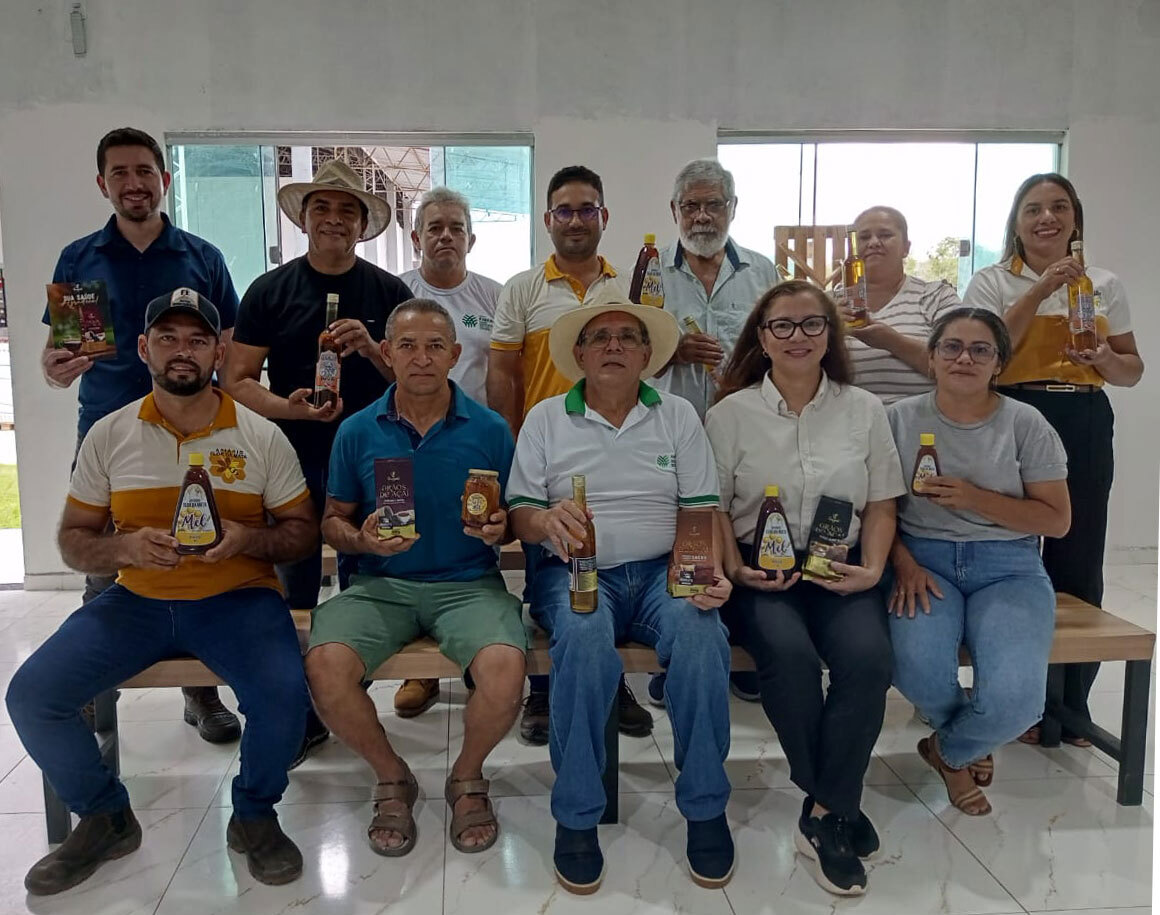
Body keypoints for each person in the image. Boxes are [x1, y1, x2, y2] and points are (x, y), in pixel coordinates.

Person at [8, 289, 317, 894]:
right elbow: (73, 541)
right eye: (169, 339)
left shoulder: (258, 435)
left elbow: (301, 534)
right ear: (144, 348)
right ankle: (105, 815)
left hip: (238, 599)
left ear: (219, 351)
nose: (183, 352)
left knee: (284, 696)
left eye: (198, 340)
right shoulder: (109, 433)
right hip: (137, 600)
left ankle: (253, 814)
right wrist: (123, 549)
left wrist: (246, 540)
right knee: (33, 694)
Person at [507, 300, 734, 893]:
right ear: (579, 355)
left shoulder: (679, 415)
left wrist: (704, 574)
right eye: (599, 337)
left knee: (703, 635)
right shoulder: (546, 418)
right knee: (581, 640)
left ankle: (706, 806)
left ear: (647, 355)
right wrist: (545, 521)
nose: (613, 345)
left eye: (627, 337)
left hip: (665, 571)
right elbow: (521, 512)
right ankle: (577, 816)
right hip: (575, 571)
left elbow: (701, 507)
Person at [304, 298, 527, 858]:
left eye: (434, 346)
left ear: (454, 354)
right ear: (386, 353)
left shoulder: (492, 429)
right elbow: (332, 522)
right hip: (380, 585)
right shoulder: (356, 431)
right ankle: (391, 775)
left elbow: (516, 518)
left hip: (468, 583)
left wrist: (501, 528)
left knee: (505, 668)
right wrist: (360, 539)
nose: (421, 358)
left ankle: (467, 776)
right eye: (407, 345)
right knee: (324, 664)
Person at [41, 127, 241, 745]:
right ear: (103, 184)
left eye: (144, 171)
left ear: (164, 179)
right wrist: (54, 368)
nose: (134, 183)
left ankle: (200, 692)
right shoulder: (78, 260)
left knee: (191, 549)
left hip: (190, 433)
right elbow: (58, 352)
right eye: (120, 173)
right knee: (103, 563)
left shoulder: (201, 257)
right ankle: (94, 703)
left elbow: (229, 349)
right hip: (108, 433)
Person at [706, 280, 906, 896]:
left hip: (839, 563)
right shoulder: (728, 413)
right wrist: (736, 569)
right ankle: (838, 802)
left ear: (830, 334)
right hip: (759, 571)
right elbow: (710, 508)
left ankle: (823, 808)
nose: (798, 337)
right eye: (783, 326)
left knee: (869, 659)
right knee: (788, 658)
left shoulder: (864, 409)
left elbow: (880, 502)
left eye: (812, 324)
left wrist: (872, 570)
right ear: (762, 338)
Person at [224, 159, 413, 765]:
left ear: (362, 224)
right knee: (294, 587)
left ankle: (351, 701)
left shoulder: (389, 293)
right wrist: (291, 409)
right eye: (322, 209)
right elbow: (236, 379)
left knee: (371, 584)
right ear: (304, 218)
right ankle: (302, 714)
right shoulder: (269, 290)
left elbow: (416, 380)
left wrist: (376, 352)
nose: (334, 219)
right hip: (291, 459)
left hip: (379, 460)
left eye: (346, 210)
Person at [964, 173, 1144, 744]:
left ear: (1075, 218)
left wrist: (1103, 361)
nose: (1047, 218)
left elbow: (1131, 369)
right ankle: (1013, 702)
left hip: (1085, 415)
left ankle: (1070, 706)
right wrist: (1041, 289)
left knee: (1078, 553)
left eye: (1059, 207)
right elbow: (988, 347)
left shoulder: (1105, 283)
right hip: (1012, 414)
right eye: (1034, 209)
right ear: (1015, 222)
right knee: (1008, 557)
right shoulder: (991, 281)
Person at [487, 165, 650, 745]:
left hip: (619, 450)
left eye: (587, 209)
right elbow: (502, 373)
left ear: (603, 218)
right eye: (565, 210)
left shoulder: (629, 289)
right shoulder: (523, 288)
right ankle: (544, 688)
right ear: (549, 219)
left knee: (607, 576)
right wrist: (513, 447)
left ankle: (615, 683)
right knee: (549, 576)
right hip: (550, 454)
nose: (576, 219)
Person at [885, 307, 1070, 816]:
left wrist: (974, 498)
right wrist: (901, 562)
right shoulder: (897, 419)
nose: (964, 358)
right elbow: (874, 511)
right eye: (951, 347)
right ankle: (968, 741)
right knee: (915, 671)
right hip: (921, 562)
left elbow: (1056, 521)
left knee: (1017, 703)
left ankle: (948, 751)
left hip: (1008, 565)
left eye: (980, 349)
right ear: (932, 357)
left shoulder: (1025, 423)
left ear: (998, 364)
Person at [395, 187, 503, 718]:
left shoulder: (494, 297)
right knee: (418, 544)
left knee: (474, 545)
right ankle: (419, 670)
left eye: (455, 227)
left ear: (471, 239)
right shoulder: (395, 293)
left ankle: (476, 655)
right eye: (434, 227)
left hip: (475, 440)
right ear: (416, 237)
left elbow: (509, 372)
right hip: (408, 437)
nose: (445, 236)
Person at [655, 158, 778, 419]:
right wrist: (674, 353)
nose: (702, 216)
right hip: (669, 424)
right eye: (690, 206)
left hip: (747, 420)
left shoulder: (762, 272)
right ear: (674, 210)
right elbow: (631, 354)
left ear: (732, 208)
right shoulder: (649, 274)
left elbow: (779, 348)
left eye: (714, 205)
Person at [843, 206, 962, 402]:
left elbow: (962, 366)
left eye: (885, 234)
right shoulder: (827, 304)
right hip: (849, 423)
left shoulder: (936, 296)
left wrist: (892, 342)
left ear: (906, 247)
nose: (873, 243)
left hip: (923, 424)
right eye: (864, 237)